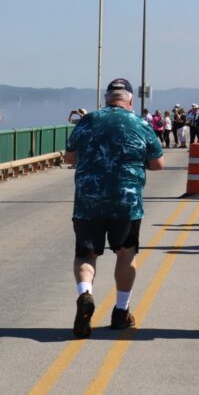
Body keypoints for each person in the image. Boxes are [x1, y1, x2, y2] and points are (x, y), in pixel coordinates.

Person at [64, 78, 164, 339]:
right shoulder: (141, 123)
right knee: (126, 255)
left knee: (86, 255)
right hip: (126, 201)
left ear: (106, 98)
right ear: (130, 99)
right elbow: (158, 164)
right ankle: (121, 312)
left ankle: (85, 294)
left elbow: (70, 157)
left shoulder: (87, 121)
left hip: (89, 201)